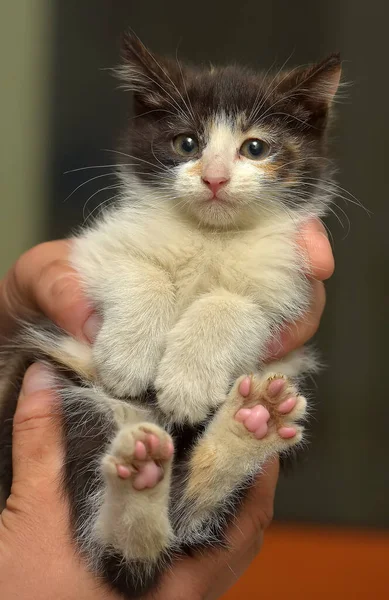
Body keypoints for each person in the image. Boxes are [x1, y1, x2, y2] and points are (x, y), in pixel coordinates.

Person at [0, 219, 334, 599]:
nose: (216, 179)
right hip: (95, 409)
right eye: (187, 152)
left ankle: (170, 502)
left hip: (133, 418)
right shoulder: (146, 220)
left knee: (147, 490)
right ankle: (199, 481)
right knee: (138, 529)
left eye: (255, 152)